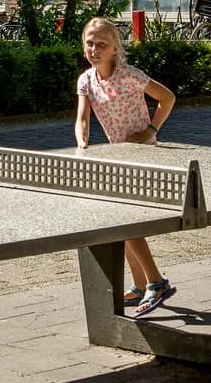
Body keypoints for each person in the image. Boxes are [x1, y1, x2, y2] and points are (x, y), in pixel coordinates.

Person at [74, 17, 177, 316]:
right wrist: (82, 146)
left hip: (144, 155)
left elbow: (167, 98)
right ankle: (139, 283)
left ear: (115, 49)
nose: (94, 49)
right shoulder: (86, 81)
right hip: (118, 157)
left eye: (101, 45)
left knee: (124, 220)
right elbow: (82, 119)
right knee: (121, 221)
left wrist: (151, 130)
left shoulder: (130, 75)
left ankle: (156, 282)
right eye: (90, 43)